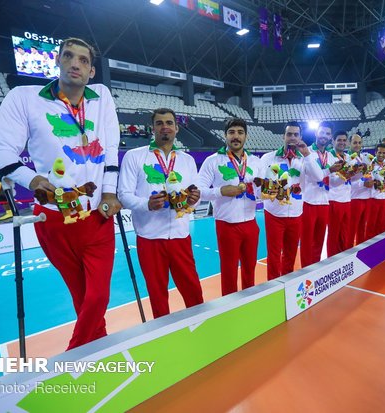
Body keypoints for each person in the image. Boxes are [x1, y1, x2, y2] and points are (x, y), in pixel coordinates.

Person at [0, 37, 121, 350]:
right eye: (68, 56)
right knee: (82, 297)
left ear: (91, 72)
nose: (75, 63)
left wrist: (110, 193)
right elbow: (0, 152)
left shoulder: (102, 96)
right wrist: (31, 178)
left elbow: (112, 149)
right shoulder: (24, 97)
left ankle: (71, 357)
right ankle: (96, 352)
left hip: (96, 217)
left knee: (98, 295)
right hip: (54, 219)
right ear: (58, 61)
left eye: (83, 60)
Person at [118, 108, 203, 318]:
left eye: (169, 122)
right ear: (152, 128)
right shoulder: (134, 157)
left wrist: (194, 199)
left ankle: (202, 323)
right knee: (157, 294)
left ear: (176, 128)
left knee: (193, 289)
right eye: (159, 123)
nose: (165, 126)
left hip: (180, 236)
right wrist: (147, 204)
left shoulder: (187, 160)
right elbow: (123, 195)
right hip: (150, 238)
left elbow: (196, 192)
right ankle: (163, 335)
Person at [197, 118, 262, 296]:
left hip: (250, 223)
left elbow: (262, 191)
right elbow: (198, 191)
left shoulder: (256, 161)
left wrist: (268, 190)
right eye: (232, 132)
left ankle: (250, 301)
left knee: (250, 268)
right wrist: (220, 191)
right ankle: (229, 308)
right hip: (227, 226)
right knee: (229, 271)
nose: (236, 136)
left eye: (240, 133)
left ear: (246, 136)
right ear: (225, 135)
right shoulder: (213, 161)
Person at [259, 121, 317, 280]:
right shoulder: (268, 158)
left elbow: (318, 177)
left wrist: (307, 154)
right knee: (274, 255)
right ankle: (272, 287)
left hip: (296, 214)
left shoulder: (306, 159)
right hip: (274, 213)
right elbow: (260, 185)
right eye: (289, 134)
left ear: (300, 137)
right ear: (283, 137)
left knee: (291, 255)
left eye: (296, 134)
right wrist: (272, 189)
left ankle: (287, 285)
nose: (292, 137)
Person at [300, 121, 343, 267]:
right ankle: (305, 273)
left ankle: (315, 270)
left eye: (328, 133)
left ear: (331, 138)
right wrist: (329, 170)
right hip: (308, 202)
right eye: (322, 132)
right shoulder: (306, 153)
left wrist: (346, 175)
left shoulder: (331, 157)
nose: (324, 136)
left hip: (324, 202)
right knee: (307, 243)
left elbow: (333, 183)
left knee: (318, 242)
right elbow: (315, 176)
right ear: (316, 133)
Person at [327, 131, 354, 256]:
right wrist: (346, 176)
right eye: (339, 140)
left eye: (344, 140)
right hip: (334, 199)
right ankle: (331, 260)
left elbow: (352, 179)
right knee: (334, 234)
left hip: (347, 199)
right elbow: (331, 182)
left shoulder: (348, 158)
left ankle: (343, 258)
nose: (342, 143)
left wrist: (356, 173)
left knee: (345, 232)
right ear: (333, 141)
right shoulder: (329, 157)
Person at [347, 134, 372, 246]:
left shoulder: (364, 157)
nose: (357, 145)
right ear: (349, 143)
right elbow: (346, 181)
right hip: (355, 198)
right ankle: (348, 253)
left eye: (359, 143)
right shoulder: (348, 159)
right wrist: (363, 183)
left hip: (366, 197)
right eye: (355, 143)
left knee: (362, 228)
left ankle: (361, 251)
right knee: (351, 229)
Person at [367, 143, 385, 237]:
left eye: (384, 153)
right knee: (371, 225)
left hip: (383, 198)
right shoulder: (370, 165)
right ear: (375, 152)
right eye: (379, 152)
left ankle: (380, 245)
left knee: (382, 224)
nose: (381, 155)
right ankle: (369, 247)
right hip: (372, 198)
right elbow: (367, 182)